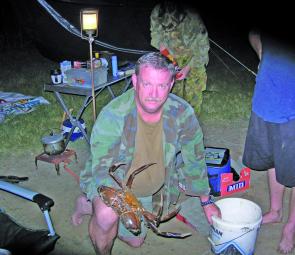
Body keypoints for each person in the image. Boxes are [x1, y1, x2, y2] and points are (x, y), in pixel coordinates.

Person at [71, 52, 220, 254]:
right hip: (114, 183)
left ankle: (87, 206)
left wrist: (207, 201)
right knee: (108, 215)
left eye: (161, 86)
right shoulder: (113, 115)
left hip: (156, 189)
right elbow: (104, 170)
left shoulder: (182, 113)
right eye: (147, 84)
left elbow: (195, 157)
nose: (154, 94)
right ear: (135, 81)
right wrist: (123, 206)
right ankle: (100, 220)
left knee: (136, 241)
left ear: (171, 85)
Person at [243, 30, 295, 254]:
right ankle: (275, 211)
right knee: (271, 158)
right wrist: (262, 51)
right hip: (265, 99)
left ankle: (291, 227)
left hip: (292, 108)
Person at [150, 1, 210, 115]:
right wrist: (171, 61)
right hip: (171, 56)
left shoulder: (192, 17)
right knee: (172, 95)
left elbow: (202, 49)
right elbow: (158, 40)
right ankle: (174, 124)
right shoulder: (157, 12)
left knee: (193, 95)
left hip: (194, 57)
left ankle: (192, 125)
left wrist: (188, 68)